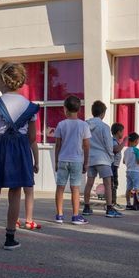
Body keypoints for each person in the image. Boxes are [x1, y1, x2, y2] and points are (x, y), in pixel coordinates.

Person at [0, 63, 39, 250]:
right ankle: (10, 237)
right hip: (20, 148)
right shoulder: (29, 106)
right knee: (15, 193)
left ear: (3, 81)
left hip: (0, 147)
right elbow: (33, 137)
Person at [53, 96, 91, 225]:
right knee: (75, 188)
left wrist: (56, 161)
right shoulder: (84, 125)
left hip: (63, 159)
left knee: (60, 188)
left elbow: (58, 145)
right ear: (79, 109)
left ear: (65, 109)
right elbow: (86, 145)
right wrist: (86, 162)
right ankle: (75, 216)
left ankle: (59, 215)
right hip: (77, 160)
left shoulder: (61, 124)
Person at [82, 101, 122, 218]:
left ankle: (87, 206)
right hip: (103, 158)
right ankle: (109, 208)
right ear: (103, 113)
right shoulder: (104, 127)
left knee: (89, 183)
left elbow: (83, 142)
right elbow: (109, 145)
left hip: (90, 158)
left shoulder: (86, 125)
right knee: (108, 183)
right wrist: (111, 157)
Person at [124, 132, 139, 210]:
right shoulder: (137, 150)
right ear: (135, 141)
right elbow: (138, 161)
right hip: (136, 171)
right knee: (137, 189)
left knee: (128, 188)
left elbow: (124, 161)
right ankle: (136, 204)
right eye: (138, 140)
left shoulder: (126, 150)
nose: (138, 142)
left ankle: (128, 203)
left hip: (128, 171)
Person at [111, 123, 126, 210]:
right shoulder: (113, 141)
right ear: (118, 132)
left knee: (114, 183)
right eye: (122, 132)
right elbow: (116, 149)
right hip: (112, 165)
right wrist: (124, 141)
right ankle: (112, 203)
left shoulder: (115, 141)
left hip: (114, 166)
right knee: (113, 184)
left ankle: (113, 202)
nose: (123, 134)